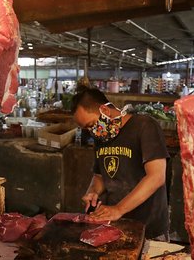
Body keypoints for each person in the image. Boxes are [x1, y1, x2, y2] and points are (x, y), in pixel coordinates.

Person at [71, 87, 170, 240]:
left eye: (91, 125)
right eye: (86, 129)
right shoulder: (102, 136)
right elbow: (99, 175)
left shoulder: (144, 126)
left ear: (104, 110)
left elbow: (156, 176)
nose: (91, 131)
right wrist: (93, 192)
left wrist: (119, 209)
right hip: (116, 225)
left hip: (148, 227)